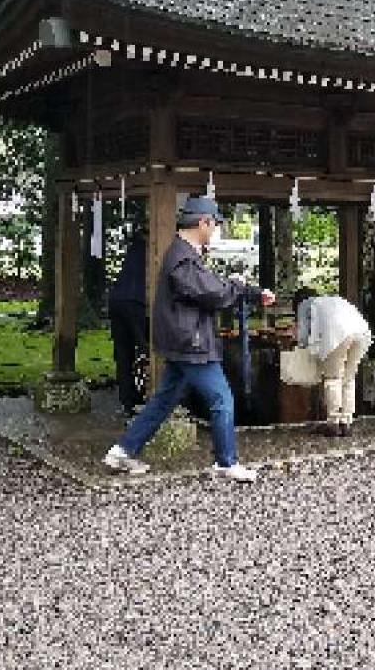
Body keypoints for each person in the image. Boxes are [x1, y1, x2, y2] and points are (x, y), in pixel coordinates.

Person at [103, 195, 275, 481]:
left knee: (163, 401)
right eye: (215, 224)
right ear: (203, 223)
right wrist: (240, 287)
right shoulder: (183, 257)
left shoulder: (184, 254)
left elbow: (212, 288)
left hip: (183, 341)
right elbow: (214, 293)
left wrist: (248, 291)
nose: (217, 230)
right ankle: (225, 461)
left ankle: (122, 451)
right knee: (221, 398)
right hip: (191, 343)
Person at [294, 290, 373, 436]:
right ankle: (346, 421)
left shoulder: (305, 305)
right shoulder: (334, 300)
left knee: (333, 378)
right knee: (348, 379)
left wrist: (300, 345)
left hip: (338, 335)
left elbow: (303, 337)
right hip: (361, 333)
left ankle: (333, 423)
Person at [108, 224, 148, 419]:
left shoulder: (134, 247)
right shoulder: (156, 246)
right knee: (146, 350)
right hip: (136, 301)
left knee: (123, 354)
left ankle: (128, 401)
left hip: (117, 300)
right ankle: (148, 397)